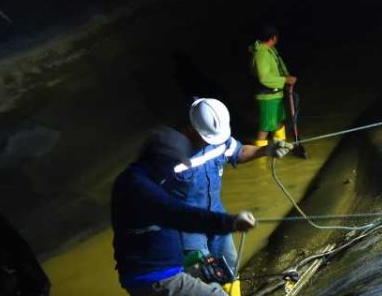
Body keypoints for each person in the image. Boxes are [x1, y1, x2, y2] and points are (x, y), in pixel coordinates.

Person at [111, 126, 257, 295]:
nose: (174, 169)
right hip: (155, 277)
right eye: (173, 164)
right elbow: (179, 215)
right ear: (158, 160)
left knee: (220, 276)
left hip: (166, 269)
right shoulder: (138, 188)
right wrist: (229, 223)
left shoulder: (147, 178)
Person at [175, 99, 286, 296]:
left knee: (230, 265)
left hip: (218, 218)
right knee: (204, 278)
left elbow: (239, 152)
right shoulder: (171, 155)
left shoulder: (219, 140)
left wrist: (265, 149)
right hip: (188, 231)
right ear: (193, 128)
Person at [250, 24, 296, 146]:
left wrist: (287, 78)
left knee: (279, 122)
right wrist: (284, 80)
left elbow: (280, 65)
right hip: (267, 97)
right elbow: (264, 78)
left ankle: (280, 147)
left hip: (276, 94)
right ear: (274, 37)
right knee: (265, 127)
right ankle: (258, 156)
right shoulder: (262, 53)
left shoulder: (270, 50)